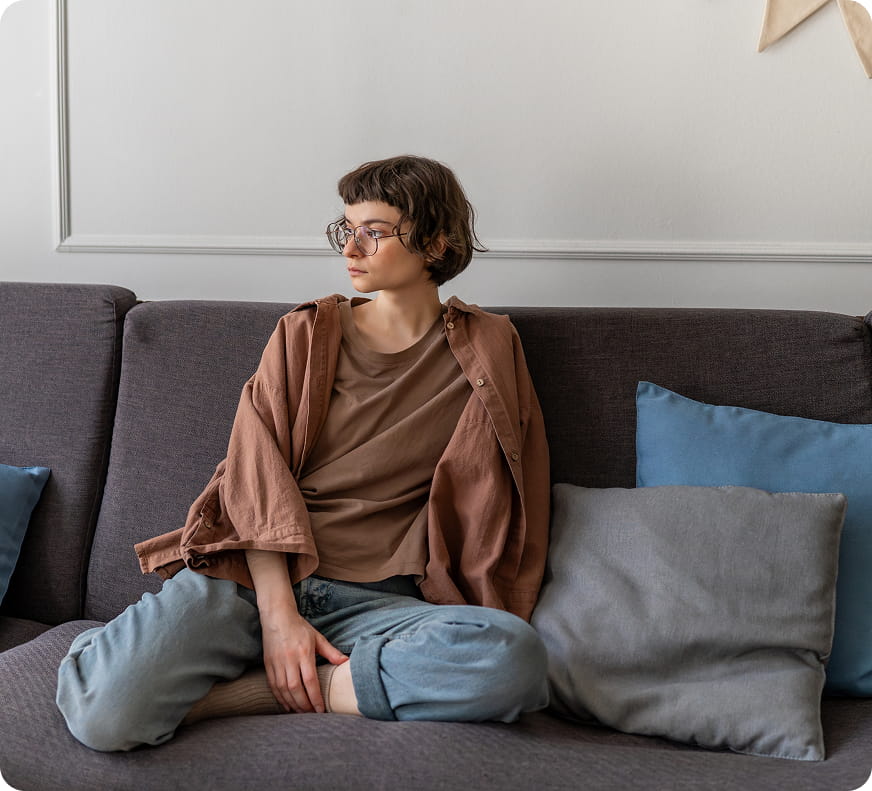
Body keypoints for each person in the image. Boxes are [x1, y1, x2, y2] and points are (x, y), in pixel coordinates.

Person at [56, 154, 552, 752]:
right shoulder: (306, 334)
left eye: (375, 231)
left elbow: (516, 489)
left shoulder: (491, 345)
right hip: (254, 581)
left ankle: (272, 689)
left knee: (514, 658)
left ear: (436, 242)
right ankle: (130, 650)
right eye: (347, 229)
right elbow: (254, 477)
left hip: (382, 607)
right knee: (103, 715)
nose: (352, 247)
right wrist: (279, 616)